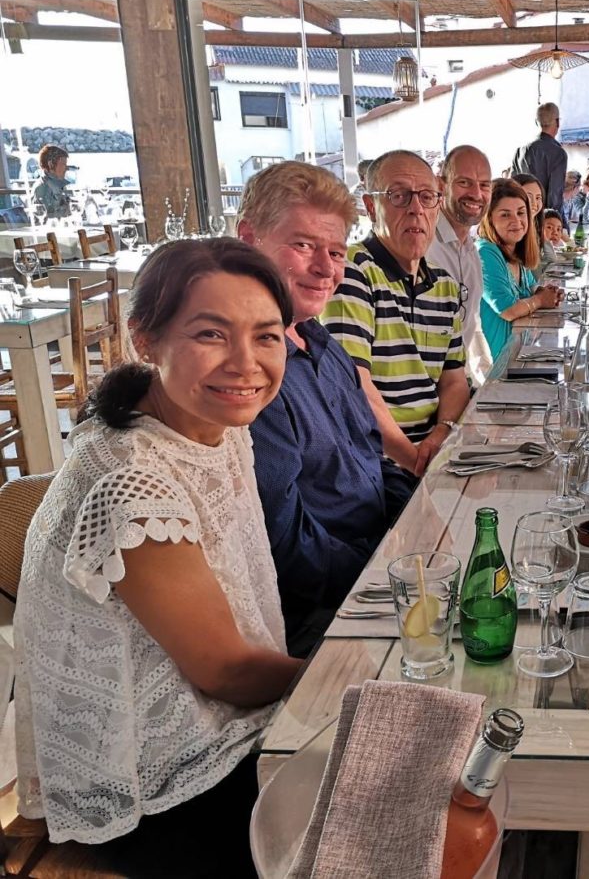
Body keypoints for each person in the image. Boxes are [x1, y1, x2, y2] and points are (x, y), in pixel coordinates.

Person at [14, 239, 302, 874]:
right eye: (211, 334)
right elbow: (224, 671)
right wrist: (341, 679)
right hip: (157, 785)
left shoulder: (211, 423)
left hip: (226, 723)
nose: (245, 363)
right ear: (145, 339)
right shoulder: (133, 482)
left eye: (266, 336)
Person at [237, 161, 412, 657]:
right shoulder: (249, 376)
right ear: (248, 239)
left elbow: (373, 459)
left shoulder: (321, 342)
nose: (326, 269)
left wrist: (417, 520)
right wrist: (386, 570)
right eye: (303, 245)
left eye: (335, 252)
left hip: (378, 564)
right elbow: (288, 548)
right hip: (322, 615)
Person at [324, 149, 470, 477]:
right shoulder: (353, 271)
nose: (416, 209)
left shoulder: (445, 285)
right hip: (377, 463)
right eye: (399, 196)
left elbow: (454, 380)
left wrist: (441, 433)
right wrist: (417, 462)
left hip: (434, 451)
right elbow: (353, 386)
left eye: (427, 197)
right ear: (371, 206)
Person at [427, 145, 493, 387]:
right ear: (441, 185)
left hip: (455, 384)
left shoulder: (470, 251)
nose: (476, 194)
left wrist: (484, 383)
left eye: (484, 185)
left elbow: (471, 326)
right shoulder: (425, 244)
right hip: (426, 391)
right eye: (464, 183)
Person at [476, 179, 561, 358]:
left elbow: (531, 287)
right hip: (499, 363)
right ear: (489, 218)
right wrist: (540, 300)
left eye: (521, 213)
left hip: (520, 351)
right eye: (505, 215)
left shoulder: (514, 251)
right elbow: (508, 310)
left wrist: (546, 292)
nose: (516, 221)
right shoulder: (486, 252)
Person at [511, 102, 568, 211]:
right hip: (542, 216)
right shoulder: (558, 154)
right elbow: (554, 198)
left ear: (536, 122)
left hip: (520, 214)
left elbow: (511, 188)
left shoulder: (520, 151)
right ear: (557, 122)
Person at [31, 144, 71, 220]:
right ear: (51, 164)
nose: (66, 168)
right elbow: (48, 219)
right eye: (63, 164)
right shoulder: (42, 188)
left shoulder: (56, 184)